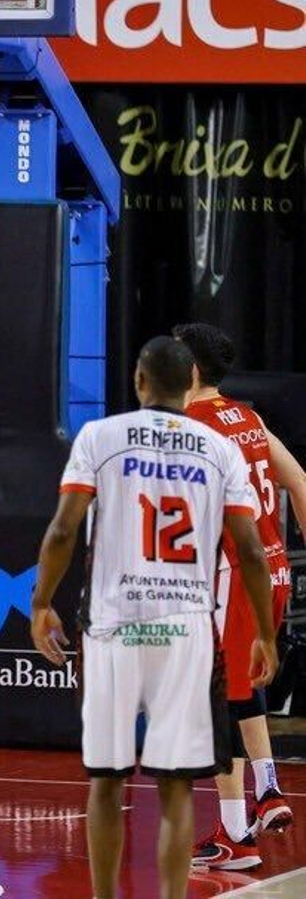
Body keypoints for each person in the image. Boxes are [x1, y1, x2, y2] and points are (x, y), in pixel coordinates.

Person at [30, 336, 278, 899]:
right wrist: (264, 633)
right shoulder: (220, 448)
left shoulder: (100, 437)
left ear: (139, 381)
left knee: (107, 781)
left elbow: (64, 529)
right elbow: (254, 551)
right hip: (187, 632)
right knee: (176, 788)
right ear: (190, 378)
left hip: (115, 628)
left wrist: (41, 602)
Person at [175, 323, 301, 868]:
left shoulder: (191, 428)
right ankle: (264, 795)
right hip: (273, 572)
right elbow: (299, 480)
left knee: (215, 701)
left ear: (191, 370)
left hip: (234, 574)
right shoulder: (248, 418)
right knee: (239, 692)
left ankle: (235, 832)